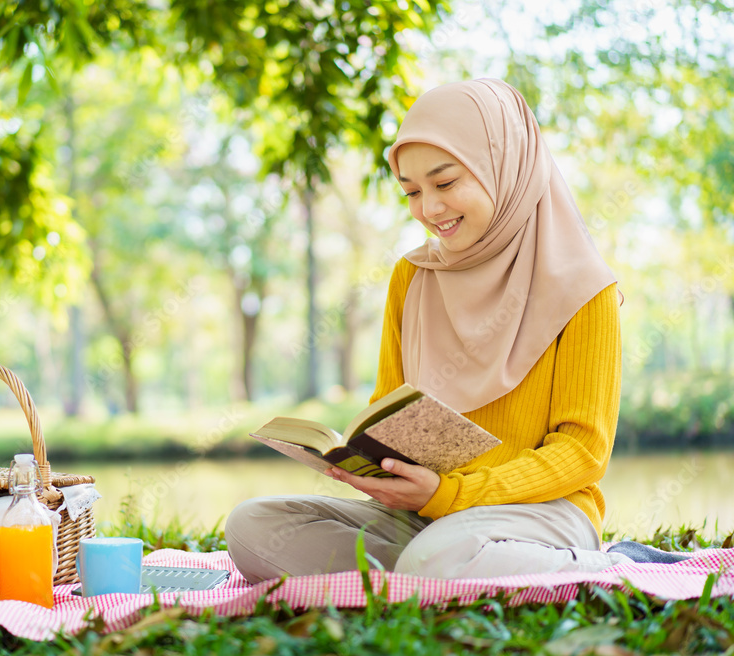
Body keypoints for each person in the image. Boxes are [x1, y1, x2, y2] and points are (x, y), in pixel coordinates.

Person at [225, 78, 688, 583]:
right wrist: (370, 467)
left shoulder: (585, 288)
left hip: (543, 512)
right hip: (425, 515)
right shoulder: (413, 277)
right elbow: (389, 406)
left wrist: (452, 496)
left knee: (439, 556)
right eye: (411, 192)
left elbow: (582, 453)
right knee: (253, 525)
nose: (428, 209)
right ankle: (430, 578)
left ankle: (599, 565)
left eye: (445, 184)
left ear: (503, 167)